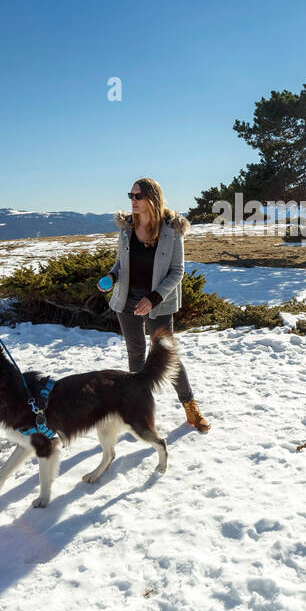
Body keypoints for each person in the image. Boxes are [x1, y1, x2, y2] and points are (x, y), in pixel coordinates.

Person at [99, 177, 211, 432]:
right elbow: (119, 265)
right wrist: (110, 277)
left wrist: (153, 298)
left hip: (158, 302)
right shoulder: (127, 228)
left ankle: (190, 407)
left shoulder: (172, 229)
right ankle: (139, 410)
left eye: (138, 196)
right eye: (131, 196)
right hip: (125, 299)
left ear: (153, 198)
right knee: (135, 354)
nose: (133, 201)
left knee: (165, 356)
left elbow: (177, 270)